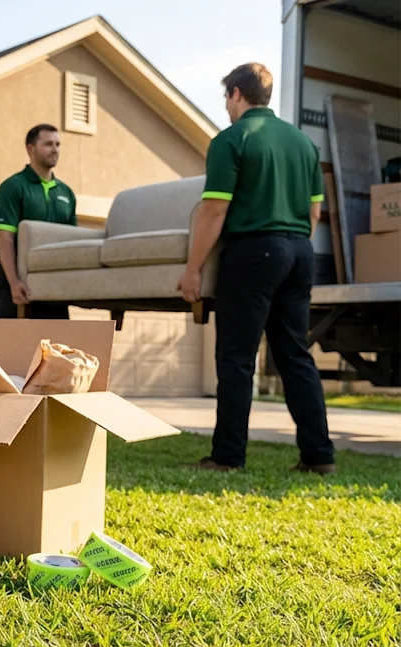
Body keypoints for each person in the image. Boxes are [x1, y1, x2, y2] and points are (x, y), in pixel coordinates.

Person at [176, 63, 336, 475]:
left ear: (235, 93)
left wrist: (193, 269)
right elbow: (315, 211)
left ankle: (228, 456)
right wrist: (290, 242)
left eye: (226, 98)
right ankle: (319, 457)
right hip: (301, 252)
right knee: (295, 355)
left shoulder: (231, 139)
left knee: (236, 357)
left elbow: (214, 209)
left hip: (254, 253)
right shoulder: (303, 143)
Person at [0, 124, 77, 320]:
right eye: (48, 144)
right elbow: (6, 239)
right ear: (30, 148)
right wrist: (14, 282)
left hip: (52, 281)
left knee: (56, 346)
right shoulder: (13, 187)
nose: (55, 149)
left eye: (58, 144)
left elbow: (72, 241)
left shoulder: (66, 193)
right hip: (17, 279)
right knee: (17, 346)